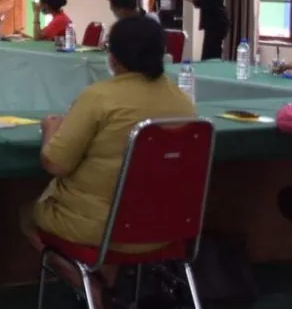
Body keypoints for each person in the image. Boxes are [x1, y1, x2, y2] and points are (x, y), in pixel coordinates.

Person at [21, 16, 195, 309]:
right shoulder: (183, 101)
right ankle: (110, 286)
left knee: (27, 216)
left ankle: (93, 290)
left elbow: (55, 164)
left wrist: (51, 129)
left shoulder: (99, 97)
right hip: (165, 228)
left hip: (100, 229)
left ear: (113, 57)